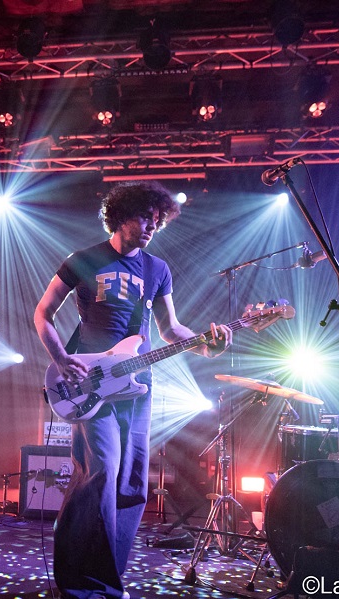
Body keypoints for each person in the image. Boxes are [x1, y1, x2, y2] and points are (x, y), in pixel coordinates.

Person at [33, 181, 231, 599]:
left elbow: (170, 329)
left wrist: (206, 344)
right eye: (145, 217)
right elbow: (43, 313)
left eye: (158, 220)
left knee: (132, 481)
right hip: (90, 383)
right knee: (101, 472)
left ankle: (108, 580)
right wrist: (60, 358)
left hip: (138, 386)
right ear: (120, 216)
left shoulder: (157, 269)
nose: (152, 226)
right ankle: (79, 582)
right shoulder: (83, 260)